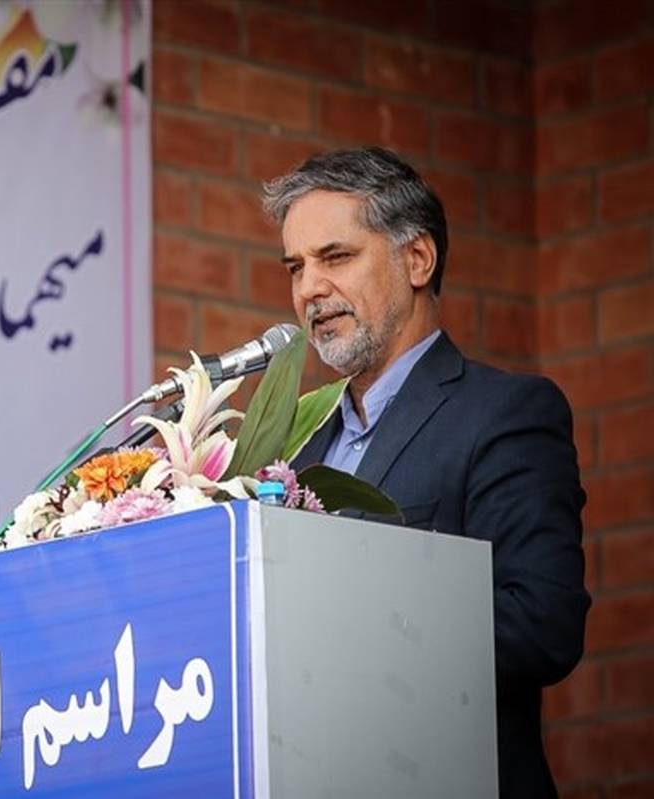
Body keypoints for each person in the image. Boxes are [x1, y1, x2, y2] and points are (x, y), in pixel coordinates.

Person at [264, 147, 590, 799]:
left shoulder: (503, 414)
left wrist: (351, 634)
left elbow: (542, 624)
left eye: (335, 257)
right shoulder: (294, 452)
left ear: (418, 259)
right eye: (296, 267)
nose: (308, 290)